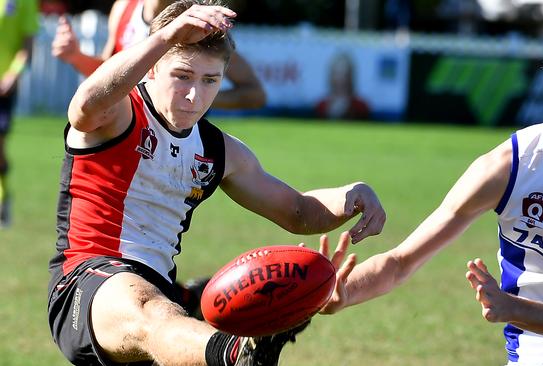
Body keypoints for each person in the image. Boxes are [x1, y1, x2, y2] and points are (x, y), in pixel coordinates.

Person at [47, 1, 386, 365]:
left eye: (210, 81)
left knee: (164, 309)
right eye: (182, 76)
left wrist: (352, 196)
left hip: (162, 296)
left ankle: (204, 316)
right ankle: (237, 353)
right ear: (154, 68)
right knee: (150, 311)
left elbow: (299, 210)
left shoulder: (218, 150)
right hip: (87, 282)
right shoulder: (120, 114)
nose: (195, 96)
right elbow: (83, 107)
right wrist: (165, 36)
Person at [322, 23, 543, 365]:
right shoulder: (506, 167)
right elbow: (401, 261)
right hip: (534, 354)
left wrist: (511, 307)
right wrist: (344, 293)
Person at [51, 0, 266, 110]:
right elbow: (109, 70)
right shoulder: (125, 7)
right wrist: (76, 56)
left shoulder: (197, 22)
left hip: (174, 144)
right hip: (124, 129)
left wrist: (193, 96)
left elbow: (255, 94)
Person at [0, 0, 39, 228]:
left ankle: (3, 197)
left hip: (3, 89)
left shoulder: (25, 2)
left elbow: (27, 46)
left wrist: (13, 74)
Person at [315, 52, 370, 120]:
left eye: (345, 74)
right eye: (337, 74)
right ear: (331, 76)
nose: (341, 79)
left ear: (351, 77)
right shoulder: (321, 106)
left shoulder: (361, 107)